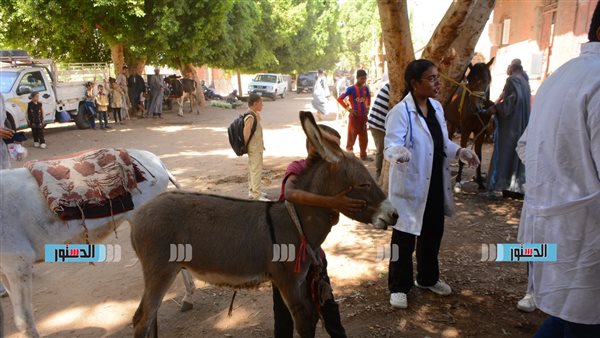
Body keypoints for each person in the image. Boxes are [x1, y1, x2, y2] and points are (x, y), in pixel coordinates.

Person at [516, 3, 600, 336]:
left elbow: (526, 146)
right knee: (579, 320)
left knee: (567, 319)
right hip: (583, 234)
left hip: (558, 227)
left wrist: (555, 172)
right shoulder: (592, 80)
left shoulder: (560, 76)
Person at [384, 59, 479, 309]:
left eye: (438, 77)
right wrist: (399, 153)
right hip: (411, 185)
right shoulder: (400, 112)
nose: (437, 83)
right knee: (403, 237)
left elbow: (442, 144)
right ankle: (398, 286)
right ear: (415, 84)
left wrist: (460, 152)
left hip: (435, 183)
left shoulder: (436, 108)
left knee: (432, 233)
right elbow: (391, 146)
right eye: (431, 78)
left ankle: (427, 278)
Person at [272, 124, 363, 338]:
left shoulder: (330, 177)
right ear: (313, 146)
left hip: (313, 256)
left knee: (327, 304)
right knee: (284, 312)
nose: (336, 154)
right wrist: (332, 202)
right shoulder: (298, 168)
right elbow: (290, 192)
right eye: (331, 147)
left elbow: (327, 219)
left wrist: (333, 215)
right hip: (285, 256)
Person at [486, 63, 531, 198]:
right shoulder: (525, 82)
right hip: (521, 125)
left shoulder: (512, 80)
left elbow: (510, 103)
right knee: (515, 154)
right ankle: (514, 186)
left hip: (510, 125)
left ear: (511, 68)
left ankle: (497, 186)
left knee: (503, 154)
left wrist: (496, 109)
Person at [337, 70, 372, 161]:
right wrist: (350, 109)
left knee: (364, 137)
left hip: (363, 117)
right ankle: (349, 156)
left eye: (365, 78)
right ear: (357, 78)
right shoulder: (351, 89)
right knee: (351, 136)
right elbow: (340, 99)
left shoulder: (366, 89)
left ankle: (363, 155)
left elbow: (368, 97)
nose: (364, 80)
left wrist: (368, 107)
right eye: (362, 78)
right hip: (354, 118)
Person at [244, 94, 267, 201]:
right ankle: (256, 195)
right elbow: (246, 133)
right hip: (254, 148)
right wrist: (245, 147)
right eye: (261, 103)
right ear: (255, 104)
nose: (262, 105)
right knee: (256, 170)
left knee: (253, 169)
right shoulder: (250, 116)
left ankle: (253, 191)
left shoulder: (254, 114)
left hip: (256, 147)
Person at [367, 82, 390, 180]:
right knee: (381, 150)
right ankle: (378, 175)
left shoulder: (390, 85)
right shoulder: (393, 87)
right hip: (378, 125)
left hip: (378, 124)